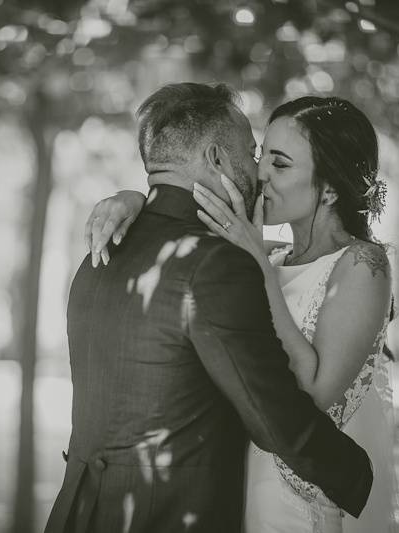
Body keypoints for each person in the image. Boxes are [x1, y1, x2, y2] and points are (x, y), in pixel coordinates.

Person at [45, 84, 373, 533]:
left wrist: (135, 197)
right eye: (253, 152)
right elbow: (269, 413)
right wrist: (356, 476)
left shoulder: (103, 252)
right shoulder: (215, 263)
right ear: (218, 158)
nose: (258, 171)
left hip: (82, 513)